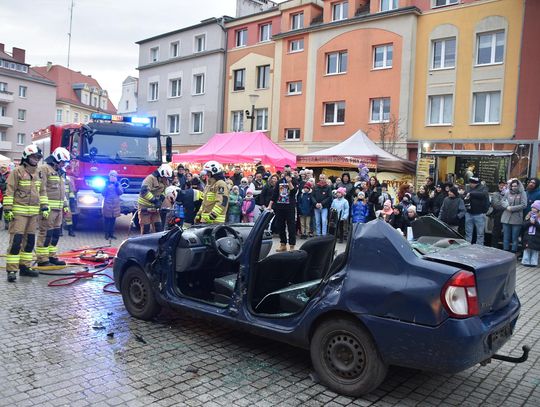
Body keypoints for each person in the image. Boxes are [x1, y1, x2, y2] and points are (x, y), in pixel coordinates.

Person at [3, 145, 48, 282]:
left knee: (29, 242)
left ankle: (25, 268)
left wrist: (45, 207)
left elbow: (42, 192)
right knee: (16, 242)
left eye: (38, 157)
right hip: (19, 214)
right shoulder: (17, 172)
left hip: (33, 215)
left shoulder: (39, 173)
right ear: (26, 157)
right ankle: (11, 270)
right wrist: (8, 209)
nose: (36, 160)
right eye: (34, 157)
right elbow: (9, 191)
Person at [36, 147, 71, 267]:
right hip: (48, 210)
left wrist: (65, 205)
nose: (63, 165)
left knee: (55, 234)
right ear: (56, 159)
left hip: (58, 209)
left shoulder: (60, 172)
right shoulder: (44, 169)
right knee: (46, 233)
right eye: (62, 162)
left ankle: (51, 256)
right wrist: (44, 206)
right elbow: (41, 189)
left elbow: (62, 191)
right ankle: (42, 259)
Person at [268, 167, 298, 251]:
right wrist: (270, 205)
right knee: (280, 226)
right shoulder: (279, 182)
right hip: (280, 207)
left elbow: (294, 192)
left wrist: (289, 182)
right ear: (283, 172)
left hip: (290, 207)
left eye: (288, 171)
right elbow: (275, 194)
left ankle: (292, 245)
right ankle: (283, 244)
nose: (287, 172)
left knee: (291, 226)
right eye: (285, 171)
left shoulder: (294, 180)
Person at [138, 164, 171, 234]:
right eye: (165, 177)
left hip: (155, 208)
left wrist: (160, 201)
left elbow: (164, 192)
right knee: (145, 228)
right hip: (145, 206)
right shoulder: (150, 178)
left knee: (158, 227)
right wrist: (155, 200)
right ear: (161, 174)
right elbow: (144, 191)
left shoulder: (165, 181)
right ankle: (144, 243)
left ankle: (156, 243)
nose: (166, 179)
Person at [501, 179, 527, 254]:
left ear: (519, 186)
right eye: (512, 186)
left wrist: (512, 208)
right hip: (506, 217)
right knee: (506, 236)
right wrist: (507, 206)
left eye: (515, 186)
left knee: (514, 237)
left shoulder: (522, 193)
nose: (514, 187)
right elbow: (502, 201)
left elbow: (524, 205)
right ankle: (505, 251)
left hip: (516, 218)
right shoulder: (507, 192)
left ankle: (513, 251)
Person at [463, 177, 490, 245]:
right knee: (468, 233)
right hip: (469, 212)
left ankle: (479, 248)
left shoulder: (483, 188)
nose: (470, 184)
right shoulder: (468, 187)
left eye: (471, 183)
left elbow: (483, 195)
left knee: (480, 234)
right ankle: (467, 246)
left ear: (475, 183)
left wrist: (470, 193)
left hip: (479, 214)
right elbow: (464, 194)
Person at [102, 170, 124, 239]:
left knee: (113, 221)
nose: (113, 177)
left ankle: (111, 234)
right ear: (109, 176)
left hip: (115, 204)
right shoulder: (106, 183)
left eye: (114, 176)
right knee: (106, 220)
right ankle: (106, 234)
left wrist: (117, 186)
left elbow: (120, 193)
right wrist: (106, 186)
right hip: (107, 203)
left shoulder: (118, 184)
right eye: (111, 175)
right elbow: (103, 193)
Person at [489, 180, 507, 249]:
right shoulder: (495, 194)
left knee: (506, 233)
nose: (502, 186)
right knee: (496, 232)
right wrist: (506, 206)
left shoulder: (509, 194)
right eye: (500, 185)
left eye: (504, 185)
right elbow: (496, 205)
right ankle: (493, 247)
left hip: (508, 216)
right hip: (498, 215)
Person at [522, 200, 540, 266]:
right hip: (528, 235)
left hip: (537, 236)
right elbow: (523, 225)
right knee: (527, 249)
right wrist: (529, 222)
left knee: (535, 250)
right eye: (532, 207)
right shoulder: (529, 215)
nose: (533, 209)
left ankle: (533, 262)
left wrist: (535, 223)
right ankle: (525, 261)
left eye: (535, 208)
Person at [0, 163, 10, 229]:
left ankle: (7, 224)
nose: (3, 169)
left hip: (6, 195)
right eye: (2, 168)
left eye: (4, 168)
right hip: (0, 195)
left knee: (7, 210)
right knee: (0, 210)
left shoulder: (9, 175)